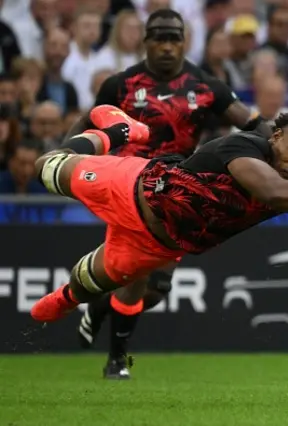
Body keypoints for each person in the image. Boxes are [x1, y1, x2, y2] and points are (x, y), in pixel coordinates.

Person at [30, 111, 288, 340]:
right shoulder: (243, 147)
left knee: (86, 286)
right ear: (274, 138)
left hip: (156, 245)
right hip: (128, 185)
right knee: (47, 165)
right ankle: (117, 132)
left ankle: (64, 301)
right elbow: (271, 191)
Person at [65, 8, 275, 379]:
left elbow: (253, 123)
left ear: (184, 42)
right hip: (127, 187)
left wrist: (277, 140)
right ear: (145, 42)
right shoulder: (121, 84)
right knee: (137, 275)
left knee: (157, 289)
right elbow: (89, 121)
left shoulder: (207, 87)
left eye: (173, 39)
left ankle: (100, 305)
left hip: (177, 190)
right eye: (158, 38)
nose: (166, 47)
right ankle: (116, 360)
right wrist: (70, 156)